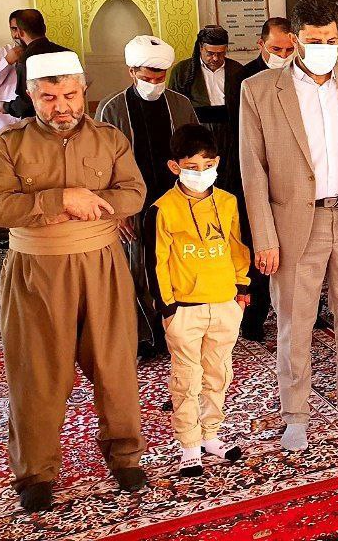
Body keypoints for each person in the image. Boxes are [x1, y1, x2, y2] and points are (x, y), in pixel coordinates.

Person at [0, 51, 148, 512]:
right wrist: (62, 199)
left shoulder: (109, 139)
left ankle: (125, 456)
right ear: (31, 95)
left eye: (70, 95)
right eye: (49, 97)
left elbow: (134, 193)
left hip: (102, 266)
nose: (62, 107)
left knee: (114, 365)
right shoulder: (7, 146)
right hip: (36, 271)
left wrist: (83, 201)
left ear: (83, 90)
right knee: (37, 373)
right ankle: (35, 472)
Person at [240, 0, 338, 446]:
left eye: (330, 40)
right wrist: (264, 238)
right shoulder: (259, 89)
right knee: (294, 323)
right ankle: (295, 414)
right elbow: (253, 170)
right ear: (295, 39)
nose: (324, 48)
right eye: (313, 40)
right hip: (294, 225)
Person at [152, 123, 250, 477]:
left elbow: (238, 247)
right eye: (191, 167)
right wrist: (167, 308)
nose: (201, 173)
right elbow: (157, 262)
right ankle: (189, 445)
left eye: (207, 166)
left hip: (225, 304)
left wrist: (241, 289)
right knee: (186, 379)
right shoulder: (163, 209)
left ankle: (211, 436)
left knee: (218, 373)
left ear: (217, 163)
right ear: (175, 166)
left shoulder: (228, 202)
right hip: (184, 310)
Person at [95, 35, 199, 356]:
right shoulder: (111, 109)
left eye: (159, 78)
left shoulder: (180, 105)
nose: (154, 84)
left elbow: (198, 152)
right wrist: (116, 212)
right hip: (132, 207)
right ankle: (143, 338)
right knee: (137, 270)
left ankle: (178, 334)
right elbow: (99, 167)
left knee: (179, 267)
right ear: (131, 71)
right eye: (147, 78)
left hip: (176, 202)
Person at [231, 18, 294, 340]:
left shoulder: (300, 77)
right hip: (254, 176)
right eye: (275, 49)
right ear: (261, 45)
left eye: (289, 50)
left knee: (295, 253)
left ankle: (299, 315)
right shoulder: (244, 80)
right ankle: (254, 320)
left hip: (291, 181)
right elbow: (239, 138)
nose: (283, 56)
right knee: (260, 250)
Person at [168, 25, 244, 193]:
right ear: (200, 48)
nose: (215, 58)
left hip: (230, 132)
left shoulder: (237, 70)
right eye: (210, 53)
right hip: (197, 132)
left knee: (230, 178)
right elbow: (175, 105)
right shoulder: (182, 71)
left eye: (221, 53)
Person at [1, 9, 71, 121]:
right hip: (68, 118)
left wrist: (7, 107)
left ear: (21, 32)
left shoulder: (26, 59)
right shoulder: (68, 54)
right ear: (44, 28)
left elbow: (26, 101)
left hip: (40, 122)